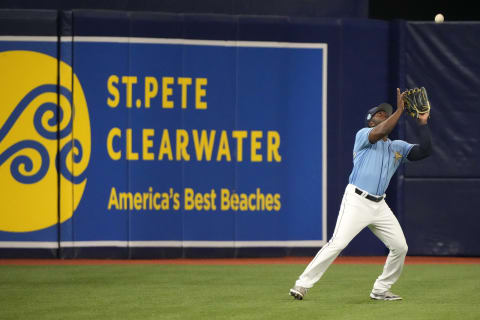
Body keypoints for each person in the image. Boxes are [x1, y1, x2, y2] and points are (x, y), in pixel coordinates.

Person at [289, 88, 432, 301]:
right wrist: (400, 110)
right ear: (370, 121)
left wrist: (423, 121)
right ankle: (302, 284)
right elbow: (380, 132)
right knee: (338, 243)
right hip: (357, 200)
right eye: (380, 114)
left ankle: (381, 289)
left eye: (387, 113)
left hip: (379, 205)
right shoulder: (364, 136)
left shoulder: (397, 147)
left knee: (400, 247)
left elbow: (425, 151)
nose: (384, 115)